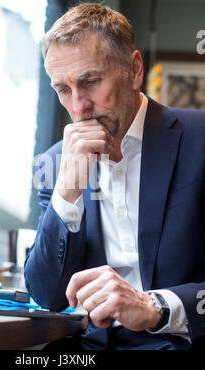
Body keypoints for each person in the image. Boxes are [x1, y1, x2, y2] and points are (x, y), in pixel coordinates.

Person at [24, 3, 205, 350]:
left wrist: (156, 308)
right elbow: (46, 294)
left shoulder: (199, 139)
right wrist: (67, 191)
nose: (78, 108)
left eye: (90, 82)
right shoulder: (55, 163)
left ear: (134, 70)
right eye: (63, 89)